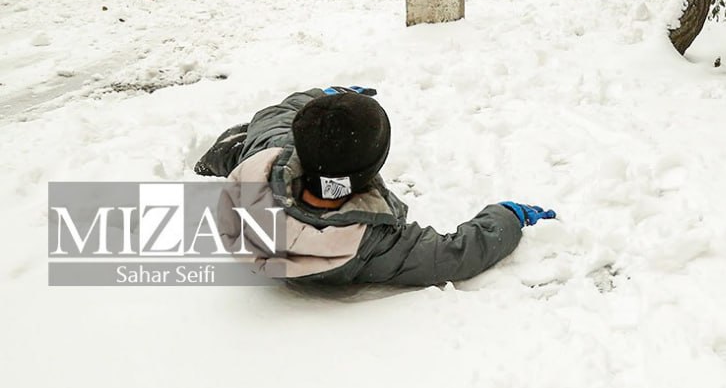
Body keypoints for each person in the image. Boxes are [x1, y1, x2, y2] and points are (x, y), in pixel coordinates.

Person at [198, 86, 555, 286]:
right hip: (313, 264)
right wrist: (506, 218)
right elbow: (455, 255)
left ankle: (224, 155)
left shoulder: (271, 152)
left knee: (246, 148)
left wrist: (325, 99)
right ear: (371, 168)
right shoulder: (371, 243)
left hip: (255, 214)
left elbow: (274, 115)